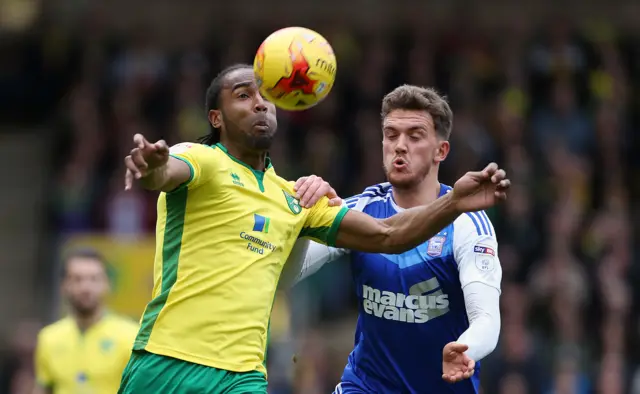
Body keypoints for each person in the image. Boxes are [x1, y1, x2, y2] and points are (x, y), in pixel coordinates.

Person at [119, 64, 510, 394]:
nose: (259, 103)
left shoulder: (293, 199)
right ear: (216, 118)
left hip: (242, 375)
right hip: (166, 361)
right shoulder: (202, 158)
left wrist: (299, 223)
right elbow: (169, 171)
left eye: (266, 96)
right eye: (391, 135)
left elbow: (390, 236)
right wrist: (153, 167)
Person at [289, 85, 502, 394]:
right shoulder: (360, 208)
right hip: (364, 386)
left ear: (441, 151)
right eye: (391, 135)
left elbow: (486, 319)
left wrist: (466, 348)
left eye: (415, 136)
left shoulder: (467, 223)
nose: (400, 146)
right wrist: (305, 221)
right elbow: (286, 277)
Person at [33, 249, 139, 394]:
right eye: (77, 279)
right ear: (64, 285)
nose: (85, 287)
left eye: (94, 279)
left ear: (107, 284)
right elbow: (43, 388)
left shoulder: (131, 336)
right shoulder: (48, 337)